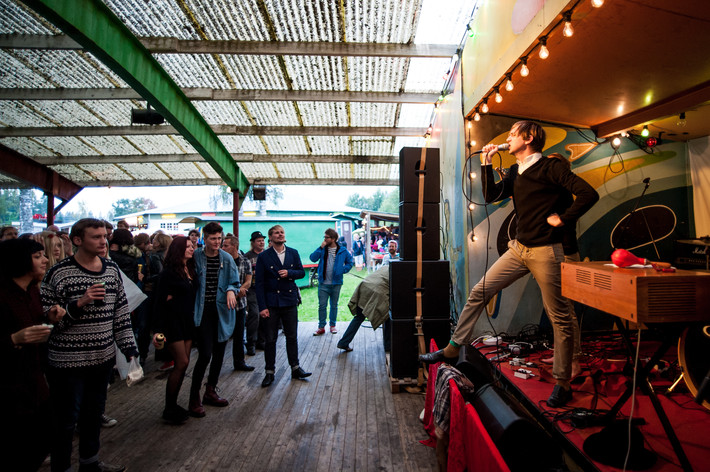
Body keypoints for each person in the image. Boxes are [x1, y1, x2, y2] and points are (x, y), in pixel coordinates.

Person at [419, 121, 599, 408]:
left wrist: (563, 218)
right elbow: (491, 196)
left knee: (560, 317)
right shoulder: (516, 171)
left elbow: (589, 193)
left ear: (528, 138)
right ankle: (453, 348)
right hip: (519, 248)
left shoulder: (551, 168)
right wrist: (486, 163)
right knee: (480, 291)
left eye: (513, 134)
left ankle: (563, 383)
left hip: (546, 251)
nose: (509, 138)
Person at [41, 218, 138, 472]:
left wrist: (128, 347)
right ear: (77, 240)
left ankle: (90, 463)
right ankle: (61, 467)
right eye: (95, 237)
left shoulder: (111, 269)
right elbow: (47, 322)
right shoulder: (59, 273)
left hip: (102, 357)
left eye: (103, 236)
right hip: (67, 361)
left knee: (92, 416)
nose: (103, 241)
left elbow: (121, 311)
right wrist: (79, 303)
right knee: (65, 420)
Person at [1, 238, 65, 471]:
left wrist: (49, 319)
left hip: (34, 376)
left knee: (44, 435)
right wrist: (13, 340)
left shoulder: (31, 292)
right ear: (20, 261)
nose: (46, 259)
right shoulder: (3, 295)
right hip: (9, 384)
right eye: (37, 256)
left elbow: (31, 323)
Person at [188, 222, 239, 417]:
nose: (217, 242)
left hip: (222, 311)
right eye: (213, 239)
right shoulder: (196, 257)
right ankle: (194, 397)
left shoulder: (226, 258)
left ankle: (211, 390)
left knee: (219, 353)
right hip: (202, 312)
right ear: (204, 238)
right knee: (205, 354)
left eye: (219, 239)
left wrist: (231, 291)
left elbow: (234, 282)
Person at [256, 225, 311, 387]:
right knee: (270, 339)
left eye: (282, 232)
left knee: (292, 336)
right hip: (271, 302)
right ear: (270, 238)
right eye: (276, 233)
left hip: (289, 300)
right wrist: (262, 307)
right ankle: (269, 372)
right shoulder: (264, 256)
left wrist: (289, 273)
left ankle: (295, 368)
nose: (280, 235)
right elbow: (259, 284)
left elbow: (301, 272)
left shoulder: (293, 253)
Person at [152, 236, 198, 424]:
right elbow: (158, 303)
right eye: (187, 247)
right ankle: (169, 407)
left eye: (192, 246)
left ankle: (174, 404)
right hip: (172, 322)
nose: (191, 249)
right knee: (181, 361)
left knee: (184, 364)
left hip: (187, 320)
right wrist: (156, 330)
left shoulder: (191, 269)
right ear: (178, 250)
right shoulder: (168, 273)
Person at [310, 228, 354, 335]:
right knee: (322, 306)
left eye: (327, 237)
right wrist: (320, 247)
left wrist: (343, 270)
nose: (324, 239)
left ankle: (332, 326)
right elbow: (312, 258)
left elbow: (350, 262)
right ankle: (321, 327)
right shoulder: (323, 249)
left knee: (334, 305)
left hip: (336, 283)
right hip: (323, 283)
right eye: (324, 237)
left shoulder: (342, 250)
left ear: (333, 239)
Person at [222, 234, 255, 371]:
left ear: (234, 247)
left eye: (225, 245)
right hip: (223, 304)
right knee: (222, 334)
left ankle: (239, 362)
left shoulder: (244, 261)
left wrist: (241, 289)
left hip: (240, 304)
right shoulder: (221, 260)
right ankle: (216, 362)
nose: (222, 248)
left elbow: (248, 280)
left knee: (239, 334)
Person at [337, 268, 390, 352]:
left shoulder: (387, 266)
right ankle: (388, 346)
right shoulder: (396, 270)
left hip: (365, 285)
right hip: (377, 291)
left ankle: (343, 342)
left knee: (359, 318)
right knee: (387, 316)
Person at [244, 231, 266, 353]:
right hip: (252, 288)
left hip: (265, 289)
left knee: (264, 315)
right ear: (253, 243)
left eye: (263, 240)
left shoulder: (268, 255)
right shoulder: (247, 257)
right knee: (255, 314)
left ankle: (261, 341)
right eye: (259, 240)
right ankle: (251, 342)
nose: (261, 242)